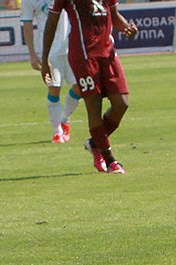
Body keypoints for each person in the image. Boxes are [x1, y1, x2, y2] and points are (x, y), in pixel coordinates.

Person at [41, 0, 137, 174]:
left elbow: (114, 16)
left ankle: (95, 143)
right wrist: (45, 58)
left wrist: (126, 28)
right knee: (94, 105)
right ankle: (110, 161)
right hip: (84, 55)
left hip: (108, 52)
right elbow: (52, 21)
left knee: (121, 103)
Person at [20, 0, 81, 143]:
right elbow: (27, 24)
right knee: (54, 88)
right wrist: (32, 55)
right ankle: (57, 131)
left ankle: (63, 120)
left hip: (72, 46)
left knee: (80, 86)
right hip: (49, 51)